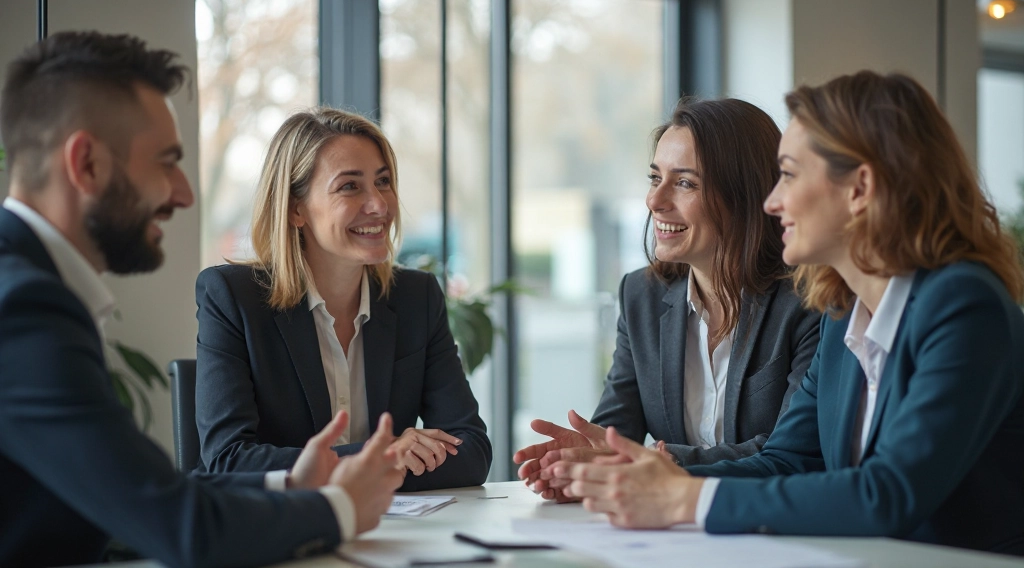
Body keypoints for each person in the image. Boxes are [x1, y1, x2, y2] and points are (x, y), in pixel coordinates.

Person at [554, 71, 1024, 555]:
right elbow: (788, 458)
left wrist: (684, 497)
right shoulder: (845, 311)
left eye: (790, 175)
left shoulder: (965, 305)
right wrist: (640, 476)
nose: (772, 201)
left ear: (859, 189)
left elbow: (887, 493)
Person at [0, 32, 406, 568]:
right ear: (87, 164)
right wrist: (341, 508)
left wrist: (291, 484)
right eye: (165, 162)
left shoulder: (28, 289)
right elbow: (180, 526)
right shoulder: (23, 308)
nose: (183, 193)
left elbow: (132, 500)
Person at [514, 98, 821, 501]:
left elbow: (792, 455)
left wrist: (662, 464)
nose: (655, 201)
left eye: (685, 183)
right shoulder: (641, 296)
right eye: (654, 178)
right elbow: (613, 436)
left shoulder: (808, 302)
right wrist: (583, 464)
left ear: (744, 195)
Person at [193, 107, 491, 491]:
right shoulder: (233, 297)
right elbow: (227, 460)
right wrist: (378, 458)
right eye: (350, 187)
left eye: (383, 182)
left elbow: (471, 452)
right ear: (296, 208)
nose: (380, 205)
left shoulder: (417, 298)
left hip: (393, 536)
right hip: (280, 537)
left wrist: (368, 468)